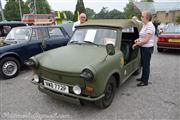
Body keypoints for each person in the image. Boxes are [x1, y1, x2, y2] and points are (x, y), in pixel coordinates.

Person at [132, 11, 155, 87]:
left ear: (147, 18)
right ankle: (142, 78)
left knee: (146, 65)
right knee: (143, 63)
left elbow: (146, 40)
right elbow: (142, 37)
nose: (141, 18)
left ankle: (145, 81)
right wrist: (138, 39)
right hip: (143, 47)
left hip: (147, 48)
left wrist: (136, 44)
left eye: (142, 16)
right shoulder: (145, 25)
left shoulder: (150, 26)